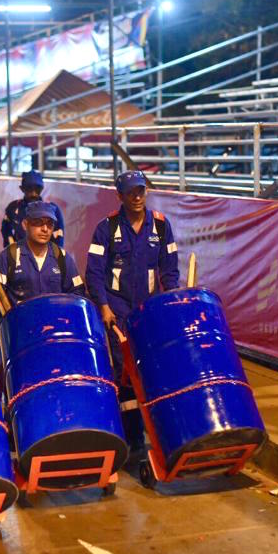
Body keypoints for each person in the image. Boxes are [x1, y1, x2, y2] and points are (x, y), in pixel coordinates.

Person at [85, 170, 179, 457]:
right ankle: (131, 441)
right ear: (120, 196)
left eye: (140, 191)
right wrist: (103, 306)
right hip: (117, 314)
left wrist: (169, 303)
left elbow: (170, 269)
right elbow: (94, 272)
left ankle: (156, 433)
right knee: (122, 374)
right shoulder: (106, 228)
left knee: (148, 371)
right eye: (130, 193)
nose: (137, 197)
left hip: (147, 313)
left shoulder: (161, 227)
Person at [0, 201, 85, 328]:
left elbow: (77, 294)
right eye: (38, 223)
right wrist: (2, 329)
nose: (45, 229)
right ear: (25, 224)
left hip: (54, 331)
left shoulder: (62, 258)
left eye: (50, 224)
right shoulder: (8, 257)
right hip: (22, 333)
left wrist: (64, 321)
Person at [1, 170, 65, 248]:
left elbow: (59, 235)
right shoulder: (13, 208)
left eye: (37, 189)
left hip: (44, 255)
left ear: (42, 189)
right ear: (22, 189)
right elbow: (6, 230)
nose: (33, 194)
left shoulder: (53, 209)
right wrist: (11, 252)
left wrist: (54, 257)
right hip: (19, 255)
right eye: (29, 189)